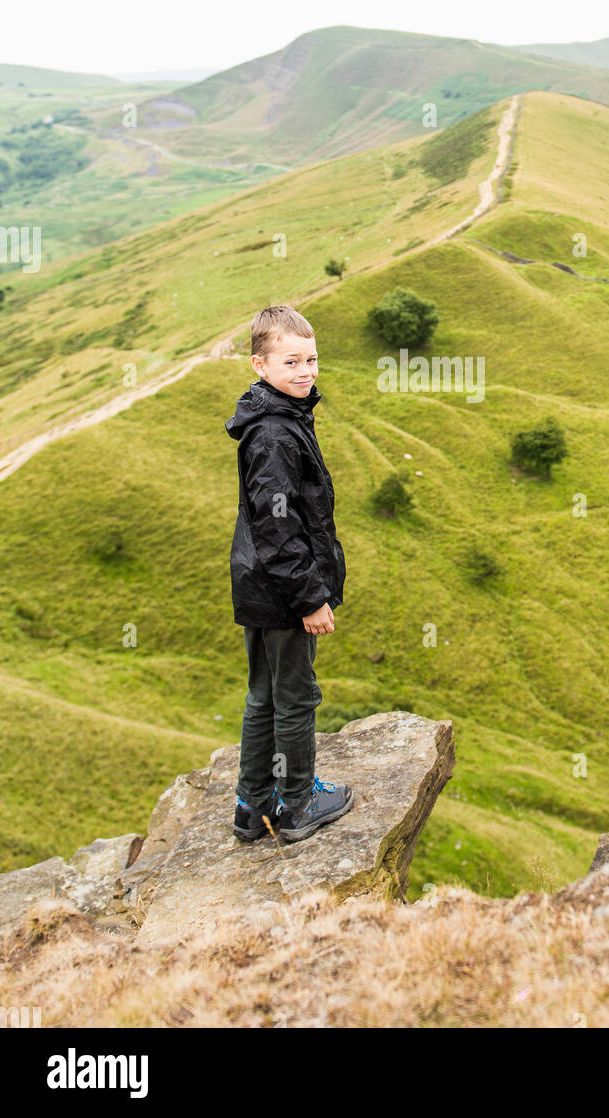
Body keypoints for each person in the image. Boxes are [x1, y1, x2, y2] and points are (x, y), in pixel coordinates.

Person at [225, 303, 353, 843]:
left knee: (264, 695)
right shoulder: (275, 434)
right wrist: (309, 598)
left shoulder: (275, 420)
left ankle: (253, 807)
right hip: (282, 593)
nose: (305, 371)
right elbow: (279, 531)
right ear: (260, 366)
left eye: (312, 359)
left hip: (259, 585)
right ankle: (297, 802)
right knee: (295, 698)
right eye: (291, 362)